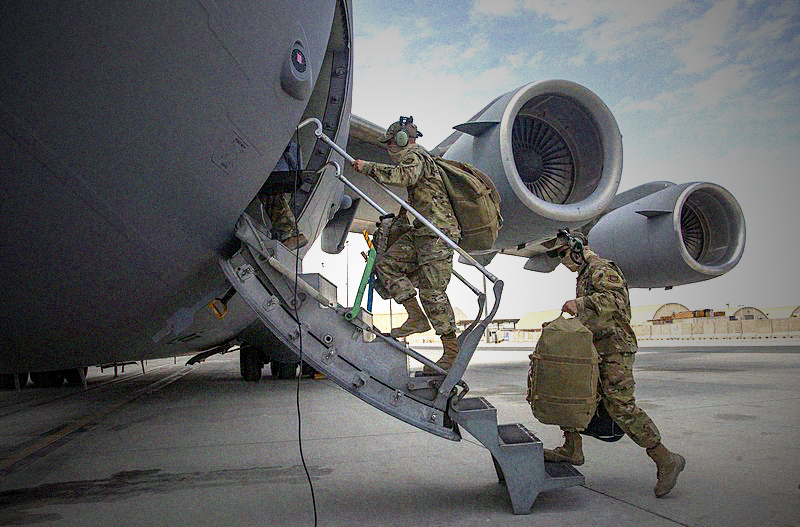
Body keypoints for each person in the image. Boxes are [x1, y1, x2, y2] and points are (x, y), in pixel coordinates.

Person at [545, 232, 686, 498]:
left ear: (576, 249)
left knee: (620, 405)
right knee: (575, 393)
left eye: (561, 253)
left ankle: (666, 459)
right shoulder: (584, 274)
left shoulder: (601, 268)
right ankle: (571, 448)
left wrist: (581, 303)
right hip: (595, 348)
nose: (560, 260)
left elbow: (615, 301)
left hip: (615, 348)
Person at [351, 116, 460, 372]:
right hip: (422, 231)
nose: (390, 149)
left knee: (433, 292)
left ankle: (451, 350)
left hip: (438, 233)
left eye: (391, 143)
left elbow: (405, 177)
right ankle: (416, 316)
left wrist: (367, 167)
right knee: (386, 265)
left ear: (401, 140)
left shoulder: (416, 156)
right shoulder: (417, 158)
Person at [264, 142, 307, 250]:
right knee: (273, 196)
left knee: (272, 196)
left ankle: (289, 234)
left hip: (277, 172)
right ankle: (289, 234)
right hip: (280, 172)